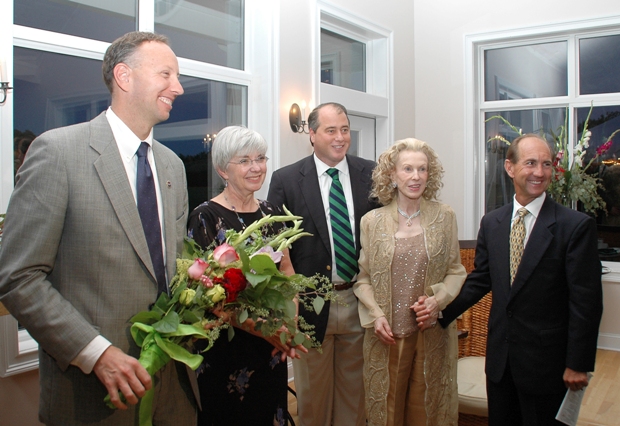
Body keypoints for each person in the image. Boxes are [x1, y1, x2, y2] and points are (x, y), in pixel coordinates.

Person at [0, 32, 197, 425]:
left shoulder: (173, 165)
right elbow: (18, 277)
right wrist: (96, 353)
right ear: (124, 77)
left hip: (174, 387)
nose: (177, 87)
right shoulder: (58, 152)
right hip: (93, 394)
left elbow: (170, 266)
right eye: (166, 74)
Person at [440, 134, 603, 426]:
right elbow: (481, 280)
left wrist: (578, 364)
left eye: (546, 164)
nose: (539, 172)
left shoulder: (575, 226)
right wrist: (440, 312)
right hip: (501, 362)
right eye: (530, 163)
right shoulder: (493, 222)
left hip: (547, 365)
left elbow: (586, 303)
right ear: (509, 167)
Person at [268, 102, 378, 426]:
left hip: (359, 301)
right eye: (331, 130)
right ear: (312, 134)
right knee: (313, 402)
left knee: (354, 401)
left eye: (345, 130)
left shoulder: (370, 175)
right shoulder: (286, 179)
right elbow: (275, 248)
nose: (340, 137)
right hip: (311, 304)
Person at [187, 125, 302, 426]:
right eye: (245, 160)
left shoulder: (271, 212)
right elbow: (212, 298)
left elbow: (287, 271)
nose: (256, 167)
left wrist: (289, 324)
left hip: (271, 350)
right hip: (229, 350)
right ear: (223, 170)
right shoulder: (205, 216)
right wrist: (271, 330)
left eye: (261, 158)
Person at [353, 138, 466, 425]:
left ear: (431, 174)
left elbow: (456, 271)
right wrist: (375, 315)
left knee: (425, 412)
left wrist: (437, 300)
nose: (415, 177)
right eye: (407, 169)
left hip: (430, 334)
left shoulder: (445, 216)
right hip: (386, 335)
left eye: (422, 169)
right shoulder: (372, 221)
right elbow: (362, 279)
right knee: (387, 412)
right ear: (392, 174)